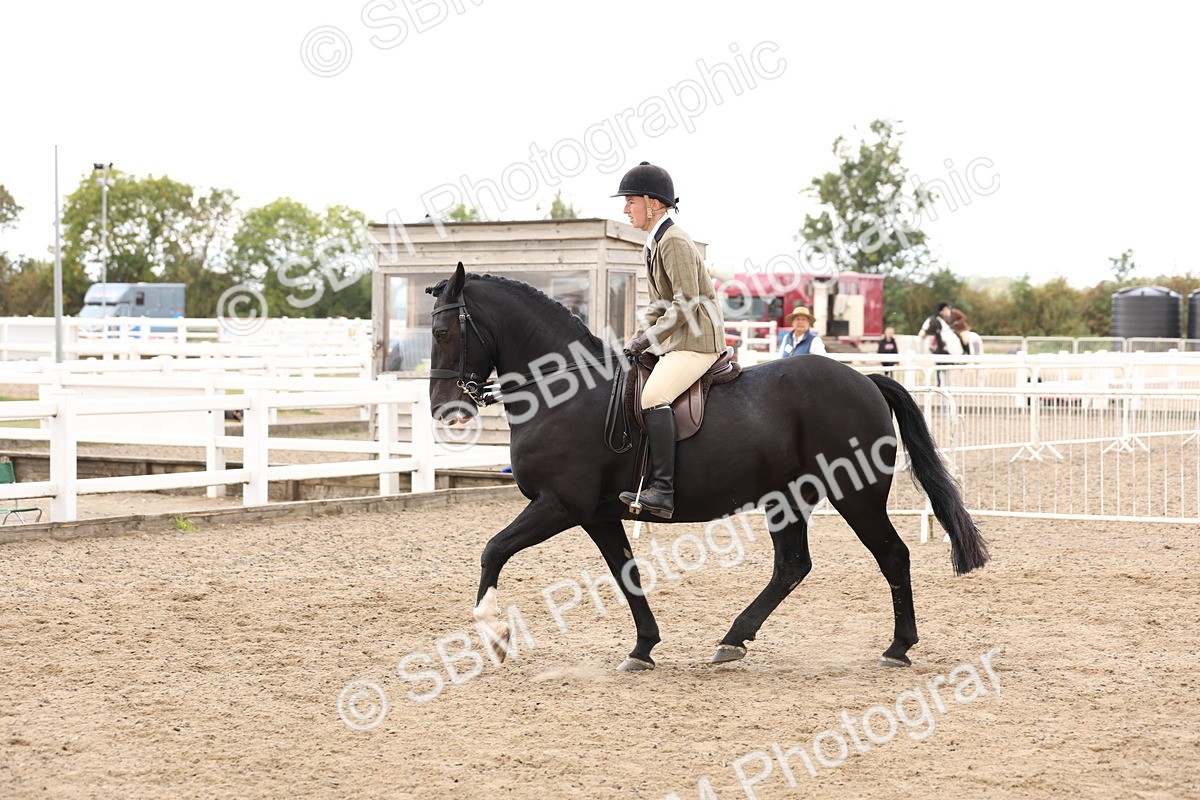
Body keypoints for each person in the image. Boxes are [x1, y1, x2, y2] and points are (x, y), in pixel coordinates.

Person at [615, 161, 725, 520]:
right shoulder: (655, 241)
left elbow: (686, 302)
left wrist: (646, 341)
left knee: (653, 396)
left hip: (697, 339)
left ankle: (662, 490)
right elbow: (657, 306)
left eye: (630, 201)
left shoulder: (674, 240)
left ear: (652, 202)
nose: (625, 209)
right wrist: (631, 342)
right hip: (678, 339)